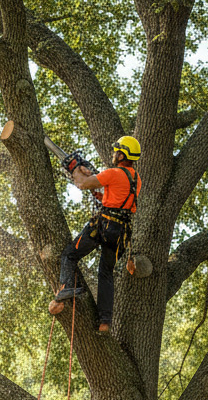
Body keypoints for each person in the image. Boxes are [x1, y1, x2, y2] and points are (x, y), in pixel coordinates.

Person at [48, 135, 142, 335]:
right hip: (121, 232)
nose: (113, 154)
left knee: (69, 255)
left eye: (116, 150)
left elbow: (82, 184)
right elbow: (119, 199)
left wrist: (75, 169)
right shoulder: (135, 178)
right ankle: (105, 322)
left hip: (104, 225)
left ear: (122, 153)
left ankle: (65, 286)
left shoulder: (114, 172)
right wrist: (101, 193)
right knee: (105, 274)